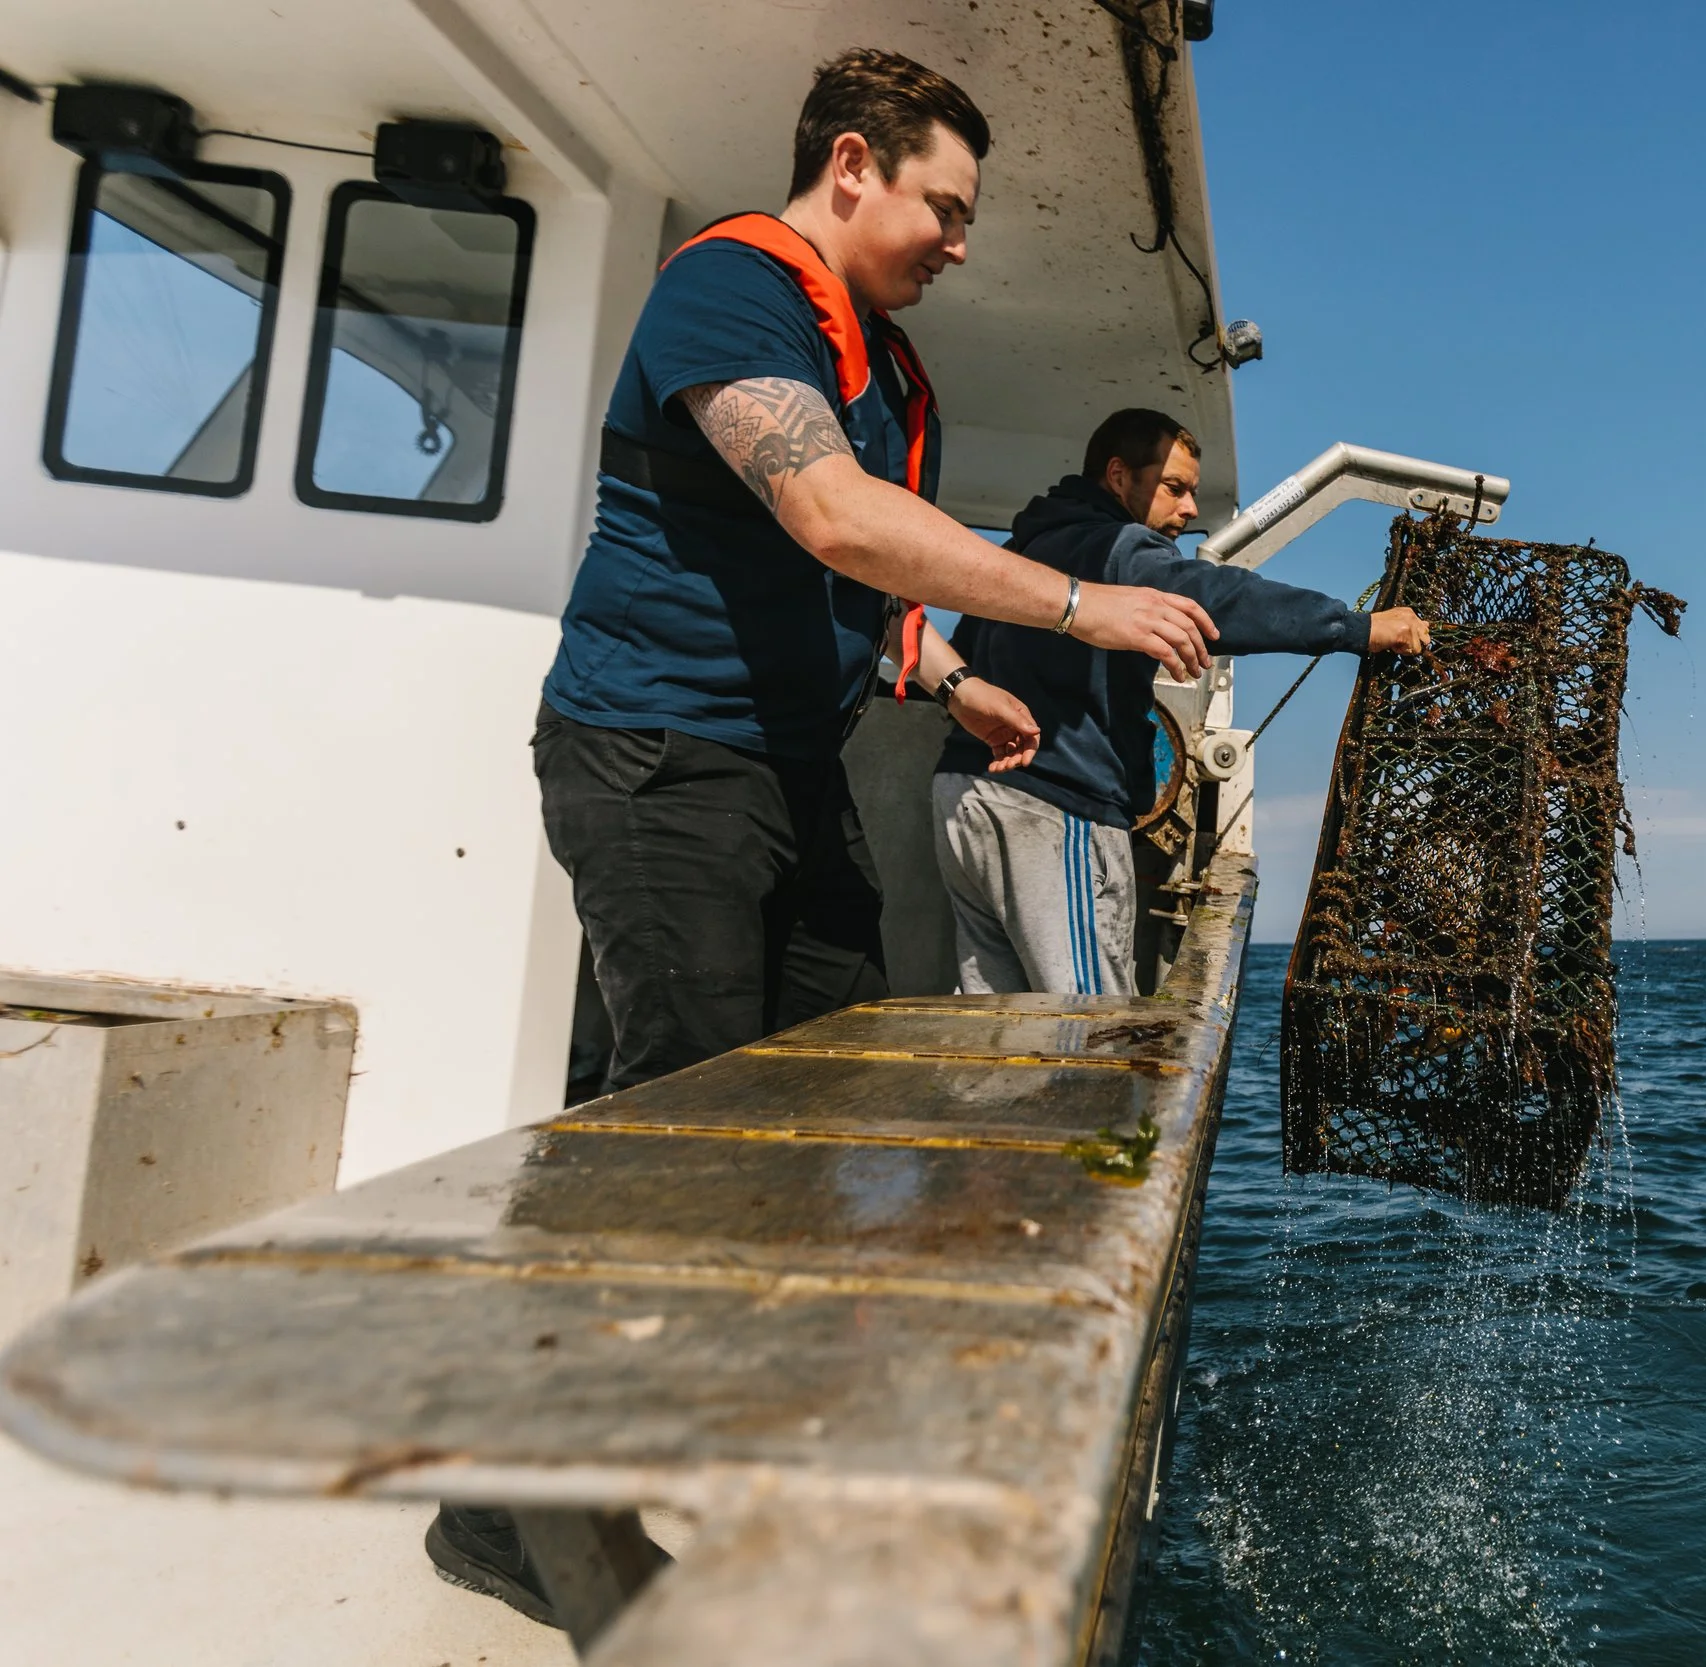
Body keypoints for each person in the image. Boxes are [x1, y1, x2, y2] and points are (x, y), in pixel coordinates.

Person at [428, 50, 1220, 1625]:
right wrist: (1080, 603)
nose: (962, 242)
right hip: (656, 759)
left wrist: (949, 672)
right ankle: (516, 1512)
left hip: (788, 770)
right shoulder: (733, 289)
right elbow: (834, 517)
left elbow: (855, 587)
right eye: (947, 206)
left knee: (833, 1096)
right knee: (683, 1121)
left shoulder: (892, 371)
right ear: (852, 165)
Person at [932, 408, 1431, 997]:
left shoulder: (1024, 550)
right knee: (1087, 1024)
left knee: (995, 1020)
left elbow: (963, 656)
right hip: (1052, 809)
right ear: (1118, 476)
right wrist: (1357, 628)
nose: (1190, 508)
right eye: (1174, 487)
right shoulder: (1117, 547)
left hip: (964, 798)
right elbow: (1209, 598)